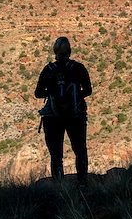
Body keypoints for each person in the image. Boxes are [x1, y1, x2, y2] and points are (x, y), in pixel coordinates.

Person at [35, 36, 92, 183]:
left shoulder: (48, 70)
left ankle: (59, 186)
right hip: (75, 114)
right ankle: (83, 183)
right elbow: (88, 90)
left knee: (56, 155)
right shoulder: (78, 68)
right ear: (70, 51)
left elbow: (38, 93)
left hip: (52, 116)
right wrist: (75, 96)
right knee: (80, 150)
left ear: (55, 52)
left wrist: (52, 93)